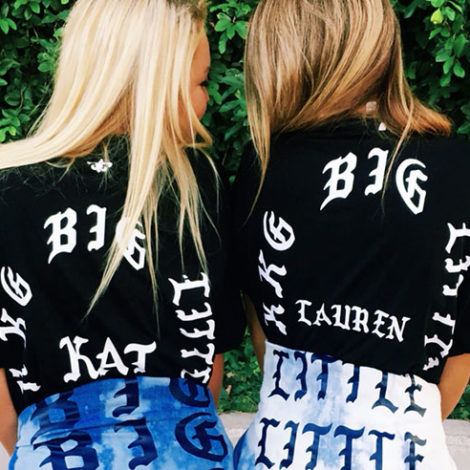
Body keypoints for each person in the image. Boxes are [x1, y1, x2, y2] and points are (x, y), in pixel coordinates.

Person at [0, 0, 245, 468]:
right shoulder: (196, 183)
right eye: (200, 83)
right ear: (157, 84)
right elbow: (207, 360)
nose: (207, 100)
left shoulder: (9, 187)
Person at [232, 0, 470, 468]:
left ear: (280, 53)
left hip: (280, 452)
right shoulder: (459, 172)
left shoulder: (263, 168)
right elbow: (457, 354)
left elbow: (268, 337)